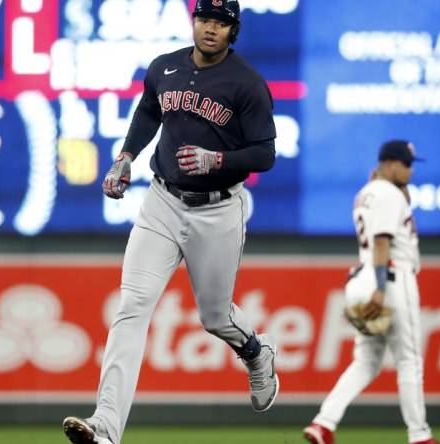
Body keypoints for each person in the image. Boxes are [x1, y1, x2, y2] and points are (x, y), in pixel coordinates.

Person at [62, 1, 279, 443]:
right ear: (194, 21)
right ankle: (105, 427)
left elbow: (265, 154)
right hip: (161, 202)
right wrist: (125, 157)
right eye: (205, 18)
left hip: (218, 210)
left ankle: (256, 353)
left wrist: (217, 158)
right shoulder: (165, 68)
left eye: (221, 22)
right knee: (131, 308)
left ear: (233, 30)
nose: (211, 28)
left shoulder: (247, 84)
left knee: (215, 317)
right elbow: (148, 112)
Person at [303, 140, 440, 444]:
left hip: (359, 282)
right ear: (391, 164)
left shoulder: (365, 193)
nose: (411, 171)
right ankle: (420, 436)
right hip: (390, 279)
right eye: (407, 165)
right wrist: (380, 289)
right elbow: (382, 241)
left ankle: (323, 423)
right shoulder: (390, 193)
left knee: (366, 360)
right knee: (409, 359)